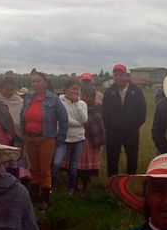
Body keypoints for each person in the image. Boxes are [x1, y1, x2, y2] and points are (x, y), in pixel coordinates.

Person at [20, 71, 68, 209]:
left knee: (45, 169)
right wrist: (24, 131)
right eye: (33, 81)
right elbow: (23, 115)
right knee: (34, 168)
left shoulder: (54, 99)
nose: (35, 84)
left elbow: (64, 119)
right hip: (30, 138)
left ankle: (46, 197)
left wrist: (59, 138)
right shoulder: (28, 97)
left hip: (46, 138)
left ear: (45, 83)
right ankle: (34, 194)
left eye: (38, 81)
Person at [103, 63, 146, 176]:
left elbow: (142, 112)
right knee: (112, 159)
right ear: (113, 76)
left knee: (132, 158)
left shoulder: (136, 91)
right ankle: (112, 184)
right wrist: (110, 127)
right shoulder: (109, 92)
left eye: (121, 74)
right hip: (113, 132)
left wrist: (133, 126)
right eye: (116, 75)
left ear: (126, 76)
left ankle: (130, 183)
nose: (118, 77)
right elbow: (104, 113)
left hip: (131, 132)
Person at [52, 79, 88, 193]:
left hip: (79, 139)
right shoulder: (59, 102)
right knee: (57, 163)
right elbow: (64, 120)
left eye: (77, 89)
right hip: (63, 138)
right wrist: (80, 123)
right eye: (73, 88)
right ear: (66, 90)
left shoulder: (82, 104)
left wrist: (77, 103)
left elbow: (85, 119)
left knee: (73, 166)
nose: (75, 91)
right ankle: (51, 186)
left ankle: (71, 189)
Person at [77, 85, 105, 195]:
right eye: (85, 96)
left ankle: (85, 185)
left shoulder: (96, 110)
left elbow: (99, 126)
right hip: (79, 141)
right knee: (77, 165)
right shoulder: (77, 108)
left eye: (90, 96)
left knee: (88, 168)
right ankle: (75, 185)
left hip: (91, 142)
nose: (87, 98)